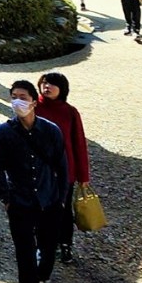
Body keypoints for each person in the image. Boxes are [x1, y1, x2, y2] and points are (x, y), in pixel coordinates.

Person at [0, 78, 69, 283]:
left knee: (47, 249)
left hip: (49, 200)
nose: (17, 101)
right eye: (14, 95)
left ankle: (42, 281)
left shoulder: (51, 131)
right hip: (21, 202)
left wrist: (61, 197)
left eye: (23, 96)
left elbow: (62, 166)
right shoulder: (4, 132)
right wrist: (6, 197)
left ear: (34, 101)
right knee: (24, 252)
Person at [34, 73, 91, 263]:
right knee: (38, 208)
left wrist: (83, 175)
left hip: (64, 171)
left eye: (52, 84)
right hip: (39, 171)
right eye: (45, 83)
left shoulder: (70, 112)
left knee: (63, 211)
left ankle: (65, 245)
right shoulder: (33, 108)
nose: (47, 87)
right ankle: (41, 245)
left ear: (62, 89)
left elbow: (79, 144)